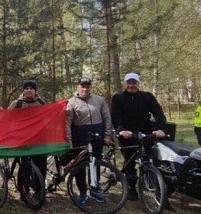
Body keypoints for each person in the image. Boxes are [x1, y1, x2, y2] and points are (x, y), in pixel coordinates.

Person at [110, 72, 167, 200]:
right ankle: (131, 187)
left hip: (146, 133)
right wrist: (121, 130)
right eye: (129, 83)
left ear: (138, 83)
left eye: (134, 83)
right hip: (127, 135)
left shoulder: (147, 97)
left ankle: (158, 190)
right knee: (130, 161)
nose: (131, 85)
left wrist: (160, 128)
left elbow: (159, 114)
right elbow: (115, 117)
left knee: (152, 159)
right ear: (125, 83)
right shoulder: (118, 98)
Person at [65, 77, 113, 203]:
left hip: (97, 135)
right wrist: (69, 140)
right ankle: (82, 192)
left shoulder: (99, 100)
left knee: (95, 163)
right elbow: (67, 122)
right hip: (79, 136)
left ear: (90, 87)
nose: (85, 89)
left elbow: (107, 118)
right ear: (78, 87)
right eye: (82, 86)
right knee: (80, 165)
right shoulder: (71, 102)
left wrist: (108, 136)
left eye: (87, 86)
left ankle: (94, 190)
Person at [8, 80, 49, 185]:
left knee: (41, 165)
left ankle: (39, 189)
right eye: (27, 88)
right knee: (25, 165)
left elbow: (47, 117)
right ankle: (23, 189)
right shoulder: (17, 103)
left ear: (35, 91)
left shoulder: (41, 102)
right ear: (23, 90)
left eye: (31, 88)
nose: (29, 90)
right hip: (23, 139)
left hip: (38, 139)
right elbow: (7, 118)